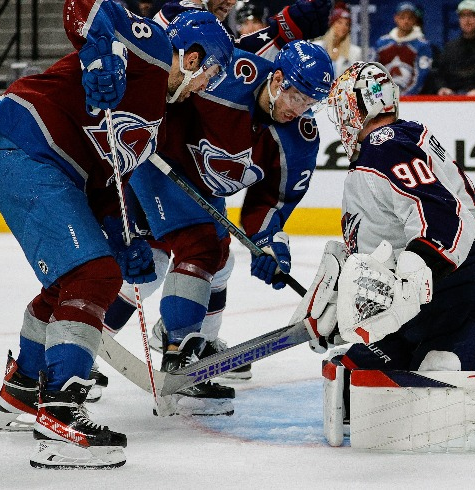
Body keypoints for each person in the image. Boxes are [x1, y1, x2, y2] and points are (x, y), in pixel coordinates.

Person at [0, 4, 233, 468]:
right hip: (28, 148)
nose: (202, 89)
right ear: (194, 58)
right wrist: (101, 56)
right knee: (91, 276)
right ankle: (59, 412)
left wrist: (123, 238)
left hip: (48, 164)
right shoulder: (155, 50)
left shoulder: (152, 113)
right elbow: (86, 7)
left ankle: (22, 388)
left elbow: (104, 180)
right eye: (207, 76)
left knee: (80, 277)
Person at [103, 41, 334, 412]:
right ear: (277, 79)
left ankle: (184, 345)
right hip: (158, 165)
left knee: (214, 262)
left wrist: (271, 244)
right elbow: (169, 85)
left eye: (310, 102)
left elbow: (271, 202)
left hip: (201, 188)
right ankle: (182, 360)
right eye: (296, 96)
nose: (299, 109)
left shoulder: (299, 140)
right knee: (190, 252)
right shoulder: (226, 76)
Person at [303, 59, 475, 390]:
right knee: (350, 377)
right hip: (431, 300)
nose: (341, 119)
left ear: (359, 108)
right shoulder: (392, 145)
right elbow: (387, 242)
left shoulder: (385, 145)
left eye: (343, 108)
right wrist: (346, 296)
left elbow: (441, 217)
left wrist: (422, 261)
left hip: (462, 291)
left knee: (437, 374)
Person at [154, 0, 331, 60]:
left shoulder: (215, 27)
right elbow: (231, 65)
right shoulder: (177, 15)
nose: (231, 2)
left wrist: (283, 32)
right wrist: (280, 34)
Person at [372, 1, 434, 95]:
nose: (406, 21)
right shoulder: (382, 43)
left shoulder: (422, 46)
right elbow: (372, 72)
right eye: (402, 17)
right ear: (396, 18)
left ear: (415, 20)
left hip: (409, 100)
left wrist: (403, 97)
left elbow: (421, 77)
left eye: (410, 18)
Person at [313, 3, 361, 76]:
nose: (343, 27)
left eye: (347, 24)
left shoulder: (355, 52)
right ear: (332, 24)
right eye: (339, 22)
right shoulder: (316, 47)